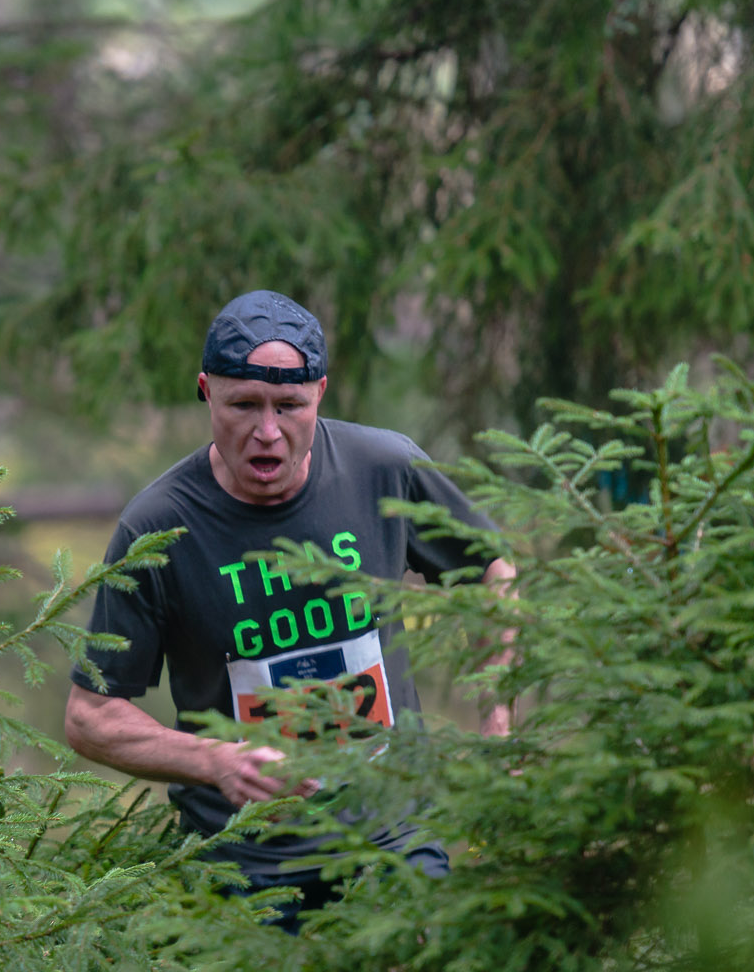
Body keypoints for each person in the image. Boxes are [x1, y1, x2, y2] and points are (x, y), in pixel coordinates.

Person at [64, 289, 515, 927]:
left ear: (321, 394)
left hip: (391, 839)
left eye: (290, 406)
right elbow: (90, 717)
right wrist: (214, 761)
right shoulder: (159, 526)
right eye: (244, 405)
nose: (268, 431)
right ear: (206, 392)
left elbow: (491, 570)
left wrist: (498, 728)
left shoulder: (383, 469)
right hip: (240, 864)